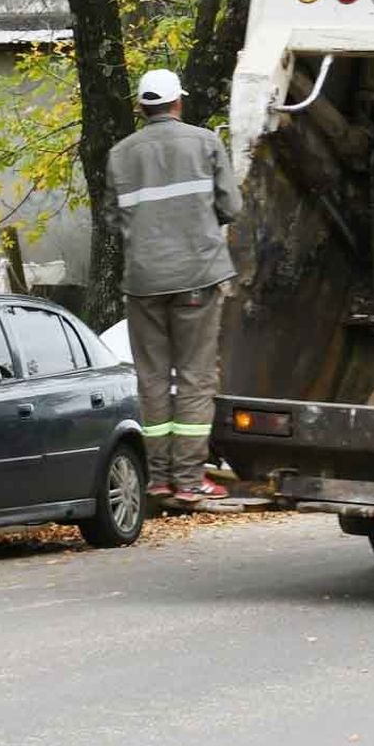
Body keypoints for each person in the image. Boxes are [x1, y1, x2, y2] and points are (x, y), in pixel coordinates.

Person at [106, 69, 243, 504]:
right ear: (177, 103)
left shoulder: (119, 154)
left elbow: (112, 220)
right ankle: (188, 480)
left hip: (143, 283)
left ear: (143, 107)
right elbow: (232, 207)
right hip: (197, 278)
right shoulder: (205, 143)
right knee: (195, 378)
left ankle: (159, 479)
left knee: (151, 379)